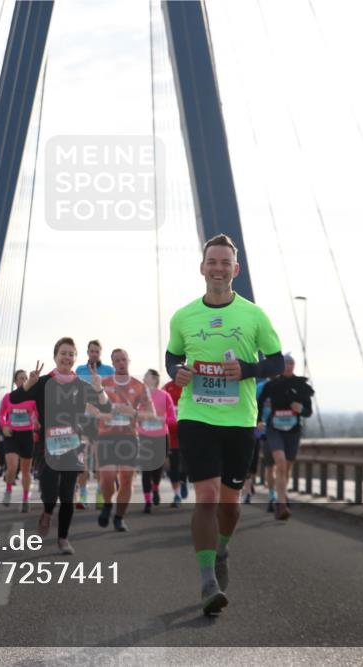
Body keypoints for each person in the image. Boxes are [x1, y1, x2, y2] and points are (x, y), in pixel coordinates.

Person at [166, 234, 283, 616]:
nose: (218, 269)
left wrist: (247, 369)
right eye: (212, 262)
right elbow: (172, 357)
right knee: (207, 496)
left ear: (236, 269)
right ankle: (207, 582)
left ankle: (221, 549)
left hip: (238, 420)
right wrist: (178, 371)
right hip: (196, 415)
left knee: (229, 504)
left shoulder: (254, 315)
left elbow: (276, 362)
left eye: (225, 263)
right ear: (202, 268)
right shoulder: (183, 316)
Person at [11, 337, 110, 555]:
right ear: (55, 357)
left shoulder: (81, 385)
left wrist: (99, 388)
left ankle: (63, 538)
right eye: (63, 353)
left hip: (73, 445)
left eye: (71, 354)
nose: (67, 357)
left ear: (75, 358)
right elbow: (14, 399)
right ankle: (47, 511)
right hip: (47, 446)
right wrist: (28, 384)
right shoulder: (43, 382)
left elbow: (105, 406)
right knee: (50, 492)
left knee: (67, 494)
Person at [95, 349, 151, 532]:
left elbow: (151, 414)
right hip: (106, 437)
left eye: (123, 359)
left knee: (126, 480)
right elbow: (88, 406)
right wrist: (101, 415)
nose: (121, 363)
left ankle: (119, 517)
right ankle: (107, 504)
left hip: (128, 438)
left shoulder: (139, 386)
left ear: (129, 361)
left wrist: (133, 412)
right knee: (107, 477)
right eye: (117, 360)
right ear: (112, 363)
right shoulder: (104, 383)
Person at [258, 354, 314, 520]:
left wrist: (301, 409)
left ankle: (280, 495)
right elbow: (259, 404)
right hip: (273, 430)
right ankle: (280, 503)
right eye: (285, 364)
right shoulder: (271, 385)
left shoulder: (301, 386)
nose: (288, 366)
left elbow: (308, 412)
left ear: (294, 366)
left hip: (293, 431)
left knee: (286, 468)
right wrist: (258, 421)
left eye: (291, 363)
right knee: (279, 464)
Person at [74, 340, 114, 509]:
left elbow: (112, 394)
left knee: (99, 460)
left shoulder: (109, 371)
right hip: (83, 419)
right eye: (92, 351)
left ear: (100, 353)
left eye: (97, 351)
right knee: (81, 458)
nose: (94, 354)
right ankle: (83, 493)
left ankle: (99, 492)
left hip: (101, 420)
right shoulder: (79, 370)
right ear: (87, 352)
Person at [0, 369, 39, 512]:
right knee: (12, 467)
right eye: (21, 378)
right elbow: (1, 415)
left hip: (27, 436)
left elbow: (38, 415)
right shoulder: (8, 397)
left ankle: (25, 499)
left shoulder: (32, 399)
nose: (23, 380)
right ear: (15, 381)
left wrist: (37, 423)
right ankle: (8, 490)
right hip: (12, 435)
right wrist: (4, 426)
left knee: (26, 471)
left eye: (25, 378)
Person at [138, 369, 176, 514]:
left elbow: (173, 419)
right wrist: (142, 416)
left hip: (161, 437)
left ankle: (155, 488)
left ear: (154, 379)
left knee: (157, 468)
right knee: (146, 469)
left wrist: (160, 419)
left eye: (146, 376)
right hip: (144, 436)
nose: (143, 378)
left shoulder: (165, 396)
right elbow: (134, 415)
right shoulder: (140, 396)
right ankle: (147, 502)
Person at [161, 378, 186, 506]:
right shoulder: (166, 388)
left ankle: (183, 480)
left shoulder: (190, 385)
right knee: (173, 466)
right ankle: (177, 495)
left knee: (187, 462)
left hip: (187, 431)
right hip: (172, 434)